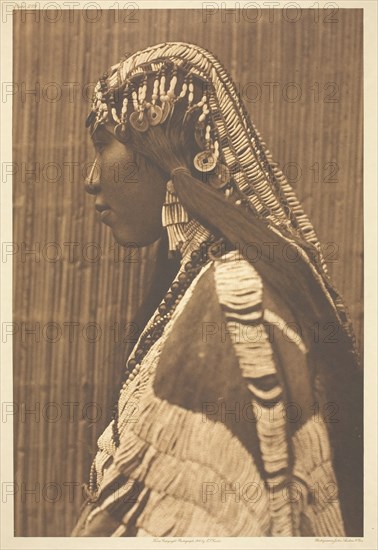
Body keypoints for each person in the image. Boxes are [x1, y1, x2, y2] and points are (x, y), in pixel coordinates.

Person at [71, 41, 362, 537]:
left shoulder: (233, 301)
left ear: (163, 144)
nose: (91, 180)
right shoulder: (200, 282)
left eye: (103, 144)